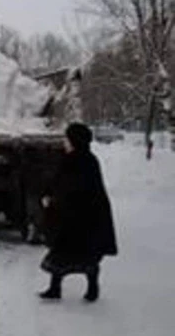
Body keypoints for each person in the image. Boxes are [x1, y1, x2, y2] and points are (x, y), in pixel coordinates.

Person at [39, 122, 118, 302]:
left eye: (67, 139)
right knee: (79, 254)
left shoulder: (76, 161)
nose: (64, 142)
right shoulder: (86, 159)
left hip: (77, 216)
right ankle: (73, 289)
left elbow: (67, 186)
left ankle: (65, 289)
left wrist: (52, 199)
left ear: (74, 141)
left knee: (66, 251)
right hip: (86, 216)